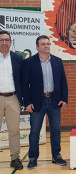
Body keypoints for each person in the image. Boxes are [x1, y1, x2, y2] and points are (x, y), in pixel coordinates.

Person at [21, 35, 68, 169]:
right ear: (37, 46)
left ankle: (56, 155)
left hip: (54, 100)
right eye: (43, 44)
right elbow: (25, 85)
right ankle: (33, 157)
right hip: (37, 102)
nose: (46, 46)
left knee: (56, 130)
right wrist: (27, 102)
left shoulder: (58, 61)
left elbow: (63, 82)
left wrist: (64, 98)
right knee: (35, 131)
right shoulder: (29, 62)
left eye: (48, 44)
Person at [0, 30, 23, 170]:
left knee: (14, 130)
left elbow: (23, 79)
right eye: (1, 40)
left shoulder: (18, 58)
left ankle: (15, 158)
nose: (4, 43)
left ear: (10, 42)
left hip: (13, 98)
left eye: (6, 40)